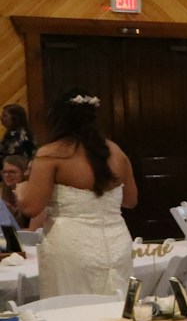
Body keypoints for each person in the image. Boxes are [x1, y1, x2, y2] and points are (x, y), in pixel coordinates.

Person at [14, 88, 136, 296]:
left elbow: (31, 208)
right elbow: (130, 201)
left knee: (72, 311)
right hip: (117, 245)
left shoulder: (51, 154)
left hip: (71, 246)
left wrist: (22, 189)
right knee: (117, 310)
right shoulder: (115, 151)